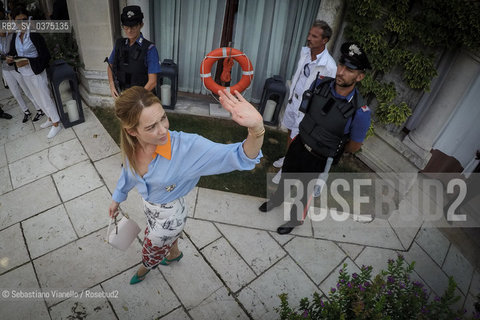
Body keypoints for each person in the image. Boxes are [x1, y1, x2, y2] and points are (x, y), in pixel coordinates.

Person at [108, 86, 264, 284]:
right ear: (132, 131)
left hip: (170, 217)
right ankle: (174, 253)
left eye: (163, 118)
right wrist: (117, 198)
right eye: (151, 127)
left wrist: (256, 129)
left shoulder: (188, 148)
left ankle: (146, 266)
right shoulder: (132, 147)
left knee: (152, 246)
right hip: (150, 209)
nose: (163, 130)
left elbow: (239, 156)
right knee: (158, 236)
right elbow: (128, 173)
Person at [259, 42, 372, 235]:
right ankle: (277, 200)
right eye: (341, 65)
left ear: (359, 76)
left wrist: (329, 147)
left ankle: (295, 220)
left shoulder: (360, 112)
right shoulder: (320, 83)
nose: (341, 72)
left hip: (319, 158)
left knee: (305, 192)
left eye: (349, 70)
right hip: (299, 144)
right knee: (286, 175)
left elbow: (353, 146)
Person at [273, 20, 337, 183]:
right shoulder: (305, 53)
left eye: (314, 36)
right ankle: (287, 158)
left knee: (297, 138)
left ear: (324, 40)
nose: (309, 38)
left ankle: (287, 169)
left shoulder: (329, 66)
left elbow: (326, 94)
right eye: (309, 34)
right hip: (293, 101)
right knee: (289, 131)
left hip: (306, 109)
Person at [7, 6, 62, 138]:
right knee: (37, 98)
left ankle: (56, 123)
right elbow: (13, 53)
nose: (22, 23)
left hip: (36, 72)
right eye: (18, 21)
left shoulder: (34, 34)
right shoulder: (16, 36)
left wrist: (28, 62)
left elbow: (45, 55)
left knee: (45, 97)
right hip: (24, 73)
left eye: (24, 20)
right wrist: (10, 58)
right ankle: (49, 118)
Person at [0, 8, 44, 123]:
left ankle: (39, 109)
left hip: (17, 64)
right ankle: (26, 111)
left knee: (26, 89)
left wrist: (9, 20)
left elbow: (4, 31)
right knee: (15, 92)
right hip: (5, 66)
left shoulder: (13, 28)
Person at [107, 5, 160, 99]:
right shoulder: (119, 44)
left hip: (143, 97)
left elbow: (152, 82)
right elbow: (110, 64)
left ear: (141, 25)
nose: (129, 31)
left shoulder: (149, 49)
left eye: (134, 27)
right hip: (123, 93)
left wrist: (135, 100)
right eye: (126, 27)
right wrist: (111, 85)